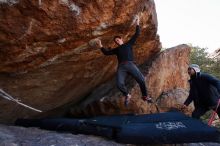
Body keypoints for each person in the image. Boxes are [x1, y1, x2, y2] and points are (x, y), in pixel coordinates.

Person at [96, 16, 152, 106]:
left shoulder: (128, 44)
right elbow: (106, 53)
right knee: (119, 83)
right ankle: (127, 95)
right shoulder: (116, 49)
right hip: (121, 66)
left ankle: (145, 96)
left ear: (121, 39)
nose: (117, 41)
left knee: (141, 80)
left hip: (130, 64)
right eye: (115, 41)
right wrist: (100, 45)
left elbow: (137, 34)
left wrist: (137, 22)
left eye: (118, 40)